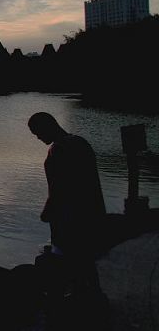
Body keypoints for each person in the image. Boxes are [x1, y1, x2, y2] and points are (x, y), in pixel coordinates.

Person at [27, 112, 106, 305]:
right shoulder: (80, 142)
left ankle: (72, 300)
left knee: (67, 256)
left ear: (48, 126)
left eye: (37, 132)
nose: (38, 137)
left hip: (68, 216)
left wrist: (47, 212)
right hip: (90, 211)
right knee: (85, 257)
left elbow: (59, 188)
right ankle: (90, 294)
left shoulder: (58, 150)